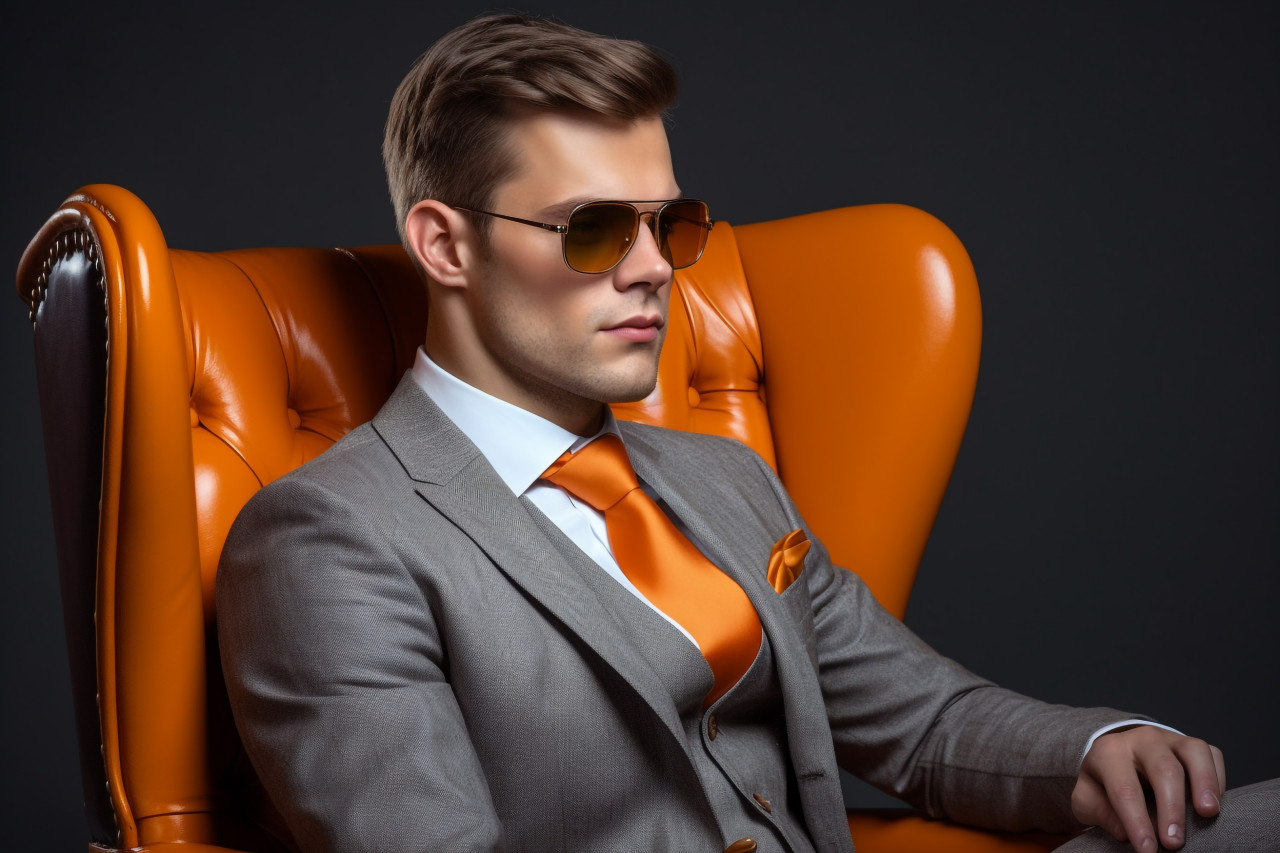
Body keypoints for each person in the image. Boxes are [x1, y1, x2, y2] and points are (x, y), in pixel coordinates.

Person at [216, 13, 1272, 853]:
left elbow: (925, 722)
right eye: (592, 229)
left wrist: (1101, 747)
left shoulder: (726, 481)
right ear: (444, 245)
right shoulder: (328, 537)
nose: (652, 269)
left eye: (669, 224)